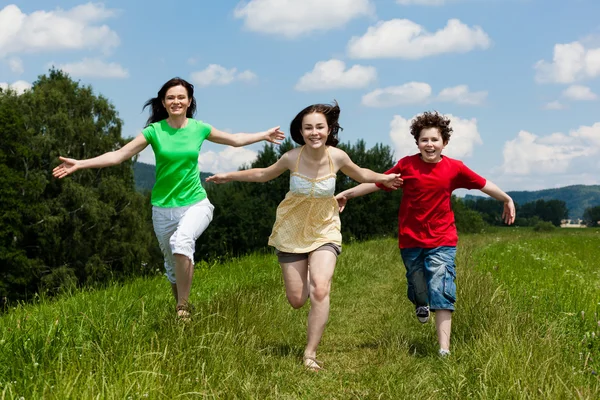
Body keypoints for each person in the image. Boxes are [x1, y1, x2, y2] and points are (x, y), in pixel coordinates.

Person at [52, 77, 284, 320]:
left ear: (189, 101)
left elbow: (234, 140)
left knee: (182, 242)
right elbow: (119, 155)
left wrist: (263, 135)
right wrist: (80, 163)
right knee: (172, 265)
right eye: (171, 97)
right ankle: (181, 314)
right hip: (162, 208)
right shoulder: (154, 131)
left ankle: (182, 308)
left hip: (195, 202)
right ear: (163, 102)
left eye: (181, 97)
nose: (176, 101)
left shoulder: (199, 128)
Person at [205, 101, 402, 370]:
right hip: (292, 229)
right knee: (297, 300)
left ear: (329, 129)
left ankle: (309, 353)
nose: (314, 132)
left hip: (325, 228)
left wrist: (383, 178)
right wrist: (229, 176)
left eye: (320, 127)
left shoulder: (338, 156)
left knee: (321, 288)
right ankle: (308, 275)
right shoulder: (291, 157)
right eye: (308, 127)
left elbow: (361, 174)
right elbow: (263, 174)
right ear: (300, 131)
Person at [335, 111, 515, 357]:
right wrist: (347, 194)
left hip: (443, 240)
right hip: (410, 240)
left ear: (444, 142)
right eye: (424, 140)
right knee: (418, 284)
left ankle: (444, 350)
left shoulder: (455, 168)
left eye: (434, 140)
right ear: (417, 142)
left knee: (441, 287)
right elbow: (378, 182)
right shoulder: (407, 165)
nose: (429, 145)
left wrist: (506, 198)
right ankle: (421, 302)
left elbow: (483, 184)